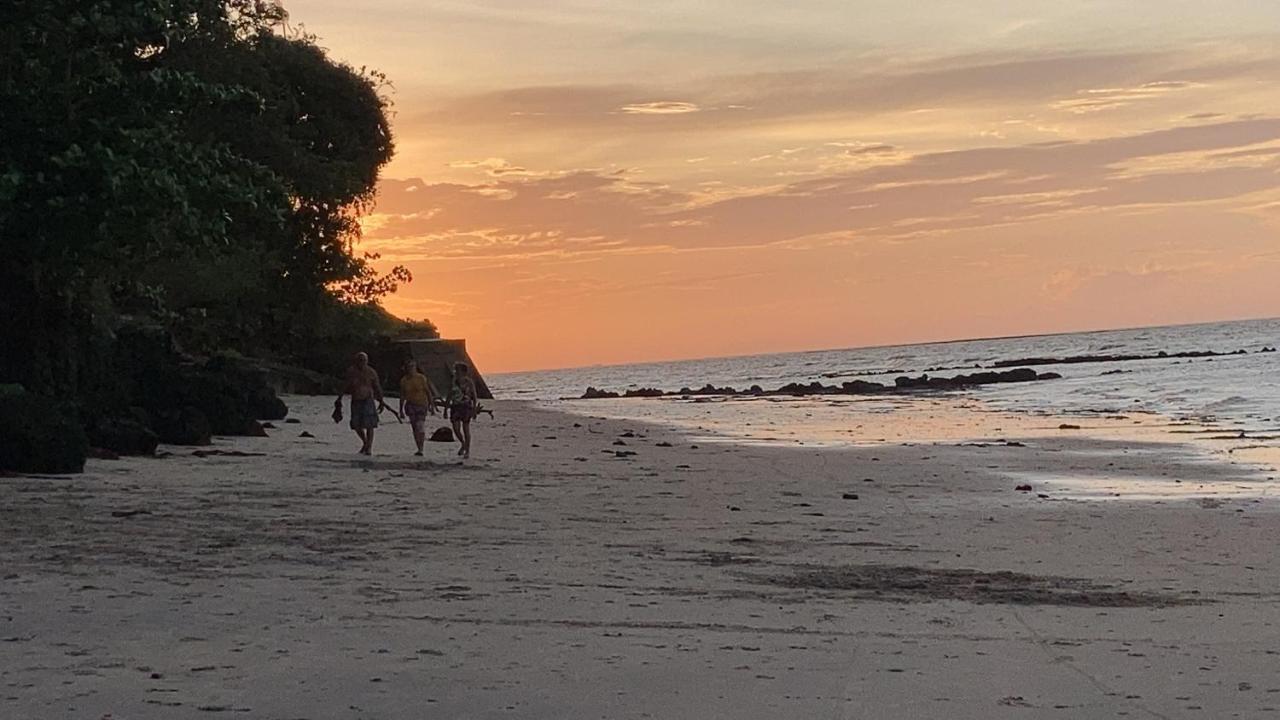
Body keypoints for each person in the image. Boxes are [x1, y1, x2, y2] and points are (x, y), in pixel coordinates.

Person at [335, 351, 391, 455]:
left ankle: (369, 447)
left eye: (364, 360)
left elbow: (377, 387)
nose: (362, 362)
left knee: (370, 424)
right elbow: (345, 385)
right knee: (356, 425)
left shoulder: (371, 372)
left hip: (368, 400)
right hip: (356, 400)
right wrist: (339, 398)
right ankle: (365, 443)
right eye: (360, 360)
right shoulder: (351, 372)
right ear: (356, 361)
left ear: (367, 361)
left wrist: (381, 401)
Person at [398, 358, 435, 456]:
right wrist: (400, 410)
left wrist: (432, 405)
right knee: (414, 427)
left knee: (420, 426)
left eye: (413, 367)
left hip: (422, 404)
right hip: (410, 405)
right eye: (409, 367)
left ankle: (421, 448)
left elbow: (428, 392)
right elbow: (402, 395)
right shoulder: (404, 380)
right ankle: (418, 447)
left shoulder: (421, 378)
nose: (411, 369)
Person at [448, 362, 478, 459]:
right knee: (456, 429)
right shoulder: (453, 381)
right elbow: (450, 394)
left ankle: (467, 450)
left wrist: (474, 409)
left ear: (463, 372)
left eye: (457, 370)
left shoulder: (469, 382)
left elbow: (474, 396)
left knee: (466, 429)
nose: (456, 372)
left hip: (466, 407)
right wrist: (445, 408)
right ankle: (463, 443)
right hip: (455, 407)